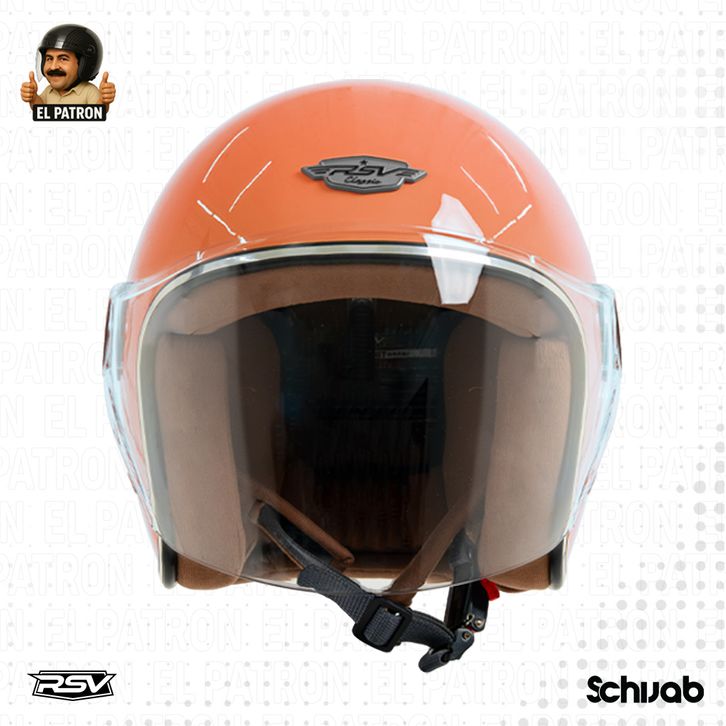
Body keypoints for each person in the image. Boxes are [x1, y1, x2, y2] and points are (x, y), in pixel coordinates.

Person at [19, 25, 115, 110]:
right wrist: (33, 98)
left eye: (63, 59)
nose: (53, 67)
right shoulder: (49, 91)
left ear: (83, 65)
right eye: (49, 59)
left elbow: (97, 112)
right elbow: (41, 110)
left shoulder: (89, 91)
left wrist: (103, 101)